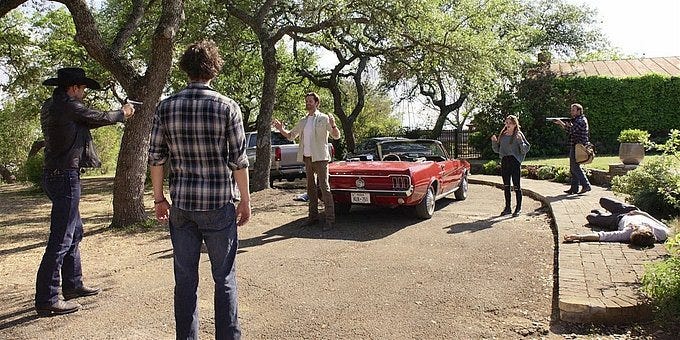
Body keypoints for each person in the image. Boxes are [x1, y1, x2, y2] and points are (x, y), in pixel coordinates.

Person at [148, 40, 251, 339]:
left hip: (181, 207)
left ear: (186, 69)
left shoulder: (166, 107)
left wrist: (158, 199)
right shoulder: (227, 107)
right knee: (225, 279)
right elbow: (239, 161)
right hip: (219, 205)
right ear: (213, 69)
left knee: (185, 280)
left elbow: (156, 158)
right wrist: (245, 200)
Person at [36, 67, 135, 316]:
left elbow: (88, 120)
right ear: (73, 88)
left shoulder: (52, 105)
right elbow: (99, 117)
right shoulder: (69, 106)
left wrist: (117, 114)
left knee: (74, 231)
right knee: (61, 238)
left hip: (55, 175)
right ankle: (48, 297)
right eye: (82, 88)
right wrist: (123, 113)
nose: (84, 93)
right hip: (65, 176)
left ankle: (73, 285)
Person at [272, 92, 341, 231]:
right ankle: (312, 217)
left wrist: (333, 126)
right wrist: (281, 129)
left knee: (324, 187)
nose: (308, 103)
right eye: (307, 101)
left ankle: (330, 220)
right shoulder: (303, 121)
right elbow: (291, 136)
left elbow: (336, 136)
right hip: (307, 158)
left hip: (321, 158)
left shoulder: (323, 118)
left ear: (316, 103)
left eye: (310, 101)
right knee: (310, 189)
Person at [563, 197, 672, 246]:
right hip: (629, 210)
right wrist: (642, 213)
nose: (633, 227)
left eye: (632, 229)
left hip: (616, 220)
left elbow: (603, 236)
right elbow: (658, 221)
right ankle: (602, 213)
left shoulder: (627, 234)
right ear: (647, 230)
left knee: (591, 217)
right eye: (636, 228)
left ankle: (601, 214)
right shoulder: (662, 233)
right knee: (603, 200)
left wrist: (578, 237)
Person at [491, 115, 531, 217]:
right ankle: (507, 208)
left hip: (515, 162)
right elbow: (497, 150)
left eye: (509, 123)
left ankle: (518, 208)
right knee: (506, 186)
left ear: (514, 124)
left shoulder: (518, 134)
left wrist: (521, 142)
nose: (507, 125)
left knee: (517, 186)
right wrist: (494, 142)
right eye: (506, 122)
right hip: (505, 161)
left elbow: (525, 149)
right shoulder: (503, 135)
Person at [553, 103, 592, 194]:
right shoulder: (577, 120)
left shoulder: (580, 120)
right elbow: (571, 129)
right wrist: (566, 124)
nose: (571, 112)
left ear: (579, 111)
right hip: (575, 145)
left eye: (573, 110)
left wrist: (561, 123)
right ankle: (574, 189)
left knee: (575, 167)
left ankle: (586, 185)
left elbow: (571, 131)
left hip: (579, 146)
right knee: (573, 167)